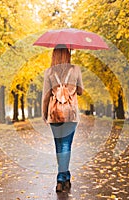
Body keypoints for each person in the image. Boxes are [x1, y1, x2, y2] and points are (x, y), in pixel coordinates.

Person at [42, 46, 83, 192]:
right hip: (71, 113)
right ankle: (62, 178)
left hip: (54, 113)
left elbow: (46, 95)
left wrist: (44, 113)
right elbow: (81, 91)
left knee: (59, 146)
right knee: (66, 145)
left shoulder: (49, 72)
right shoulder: (76, 69)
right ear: (67, 54)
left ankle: (64, 177)